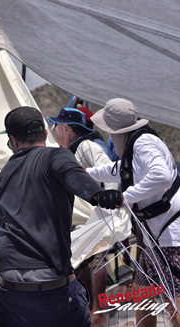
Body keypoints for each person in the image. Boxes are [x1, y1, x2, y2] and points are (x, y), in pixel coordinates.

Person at [0, 106, 123, 327]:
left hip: (8, 293)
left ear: (13, 140)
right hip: (53, 292)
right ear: (46, 134)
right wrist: (98, 195)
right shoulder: (57, 155)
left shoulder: (5, 173)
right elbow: (72, 174)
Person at [86, 98, 180, 327]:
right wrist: (84, 172)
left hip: (169, 238)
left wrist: (123, 198)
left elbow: (162, 176)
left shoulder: (143, 144)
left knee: (174, 304)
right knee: (143, 295)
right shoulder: (135, 145)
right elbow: (118, 171)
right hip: (155, 240)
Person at [48, 107, 117, 327]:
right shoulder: (71, 150)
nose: (54, 129)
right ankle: (89, 308)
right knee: (86, 263)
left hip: (95, 218)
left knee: (96, 263)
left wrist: (109, 206)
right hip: (80, 220)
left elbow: (110, 170)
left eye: (56, 125)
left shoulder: (86, 146)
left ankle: (99, 312)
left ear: (65, 127)